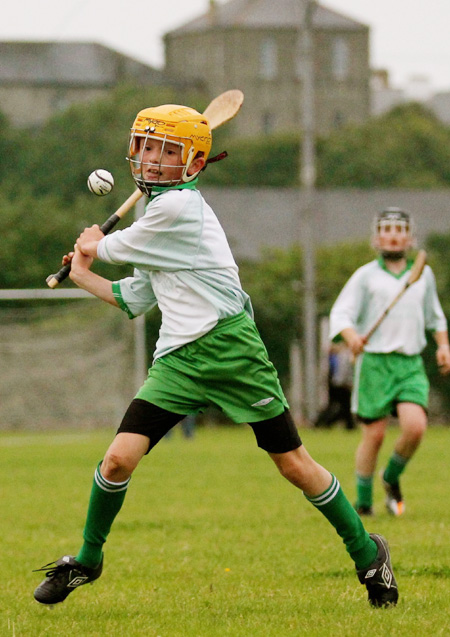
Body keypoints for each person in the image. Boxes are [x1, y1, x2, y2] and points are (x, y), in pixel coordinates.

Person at [33, 104, 398, 608]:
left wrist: (94, 245)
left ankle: (368, 552)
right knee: (118, 460)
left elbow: (115, 249)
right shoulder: (154, 213)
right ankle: (87, 561)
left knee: (294, 465)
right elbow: (135, 298)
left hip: (233, 351)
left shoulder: (179, 208)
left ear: (193, 163)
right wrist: (83, 275)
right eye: (146, 146)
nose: (151, 159)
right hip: (179, 361)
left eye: (166, 151)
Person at [329, 208, 450, 517]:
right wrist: (352, 336)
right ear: (376, 238)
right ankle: (365, 503)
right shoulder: (365, 275)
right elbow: (341, 314)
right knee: (376, 435)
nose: (393, 235)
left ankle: (391, 478)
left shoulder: (421, 275)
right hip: (375, 364)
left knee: (415, 428)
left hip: (409, 363)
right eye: (387, 230)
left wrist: (443, 346)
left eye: (400, 230)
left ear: (409, 239)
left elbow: (435, 317)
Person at [315, 342, 356, 430]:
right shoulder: (345, 355)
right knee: (344, 406)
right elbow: (342, 372)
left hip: (337, 384)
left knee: (342, 406)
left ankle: (349, 425)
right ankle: (325, 422)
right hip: (341, 385)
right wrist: (346, 383)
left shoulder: (339, 356)